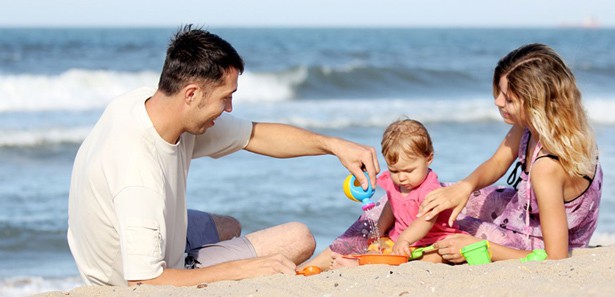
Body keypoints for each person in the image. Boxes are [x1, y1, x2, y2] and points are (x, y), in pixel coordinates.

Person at [66, 25, 380, 287]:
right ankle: (197, 266)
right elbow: (145, 283)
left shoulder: (144, 104)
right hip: (125, 280)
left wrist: (335, 146)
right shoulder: (138, 174)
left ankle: (204, 257)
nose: (229, 109)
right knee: (298, 239)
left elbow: (255, 135)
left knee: (228, 226)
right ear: (191, 94)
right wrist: (245, 271)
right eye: (225, 98)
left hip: (129, 235)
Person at [417, 43, 603, 263]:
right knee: (435, 195)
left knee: (446, 237)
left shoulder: (547, 167)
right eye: (500, 93)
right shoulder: (533, 126)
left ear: (537, 104)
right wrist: (465, 187)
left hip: (538, 242)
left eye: (509, 99)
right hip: (523, 214)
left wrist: (480, 247)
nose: (498, 101)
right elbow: (497, 163)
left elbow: (556, 257)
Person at [301, 118, 465, 270]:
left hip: (432, 240)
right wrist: (380, 229)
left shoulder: (430, 189)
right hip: (400, 239)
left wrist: (405, 240)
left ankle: (361, 267)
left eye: (409, 170)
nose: (401, 177)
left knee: (435, 257)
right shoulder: (397, 183)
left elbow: (426, 220)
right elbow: (391, 206)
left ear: (428, 159)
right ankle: (357, 263)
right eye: (394, 170)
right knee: (377, 249)